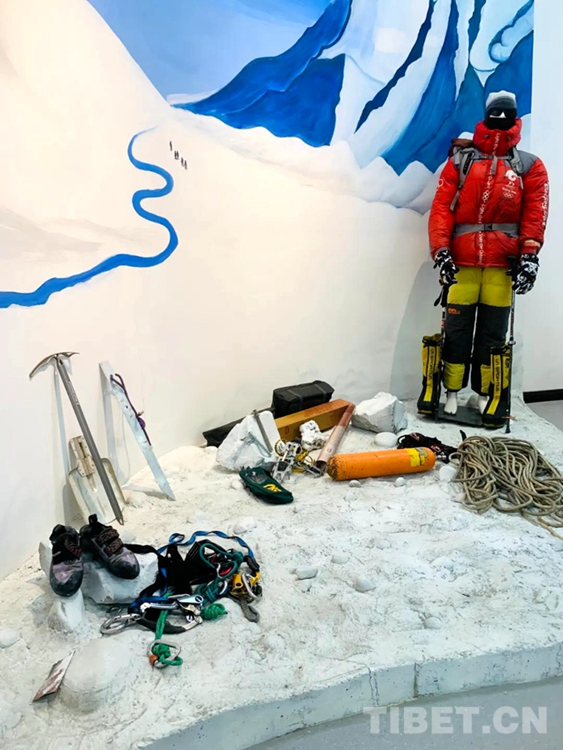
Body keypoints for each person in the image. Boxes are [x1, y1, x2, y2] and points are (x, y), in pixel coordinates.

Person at [428, 91, 549, 416]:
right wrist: (441, 250)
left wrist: (529, 255)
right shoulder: (461, 161)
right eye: (496, 112)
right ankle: (452, 390)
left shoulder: (529, 166)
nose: (500, 119)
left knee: (492, 334)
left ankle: (484, 392)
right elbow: (441, 208)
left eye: (506, 113)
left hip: (502, 265)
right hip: (461, 263)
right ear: (486, 115)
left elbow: (535, 213)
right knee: (456, 330)